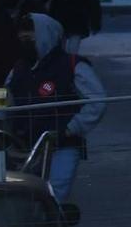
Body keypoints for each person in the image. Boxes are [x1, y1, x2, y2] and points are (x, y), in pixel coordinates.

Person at [7, 11, 105, 206]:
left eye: (30, 33)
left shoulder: (72, 65)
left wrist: (72, 127)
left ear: (46, 33)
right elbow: (5, 100)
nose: (25, 38)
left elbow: (97, 101)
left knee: (53, 199)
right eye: (22, 33)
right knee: (23, 200)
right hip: (24, 148)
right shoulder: (19, 68)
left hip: (62, 146)